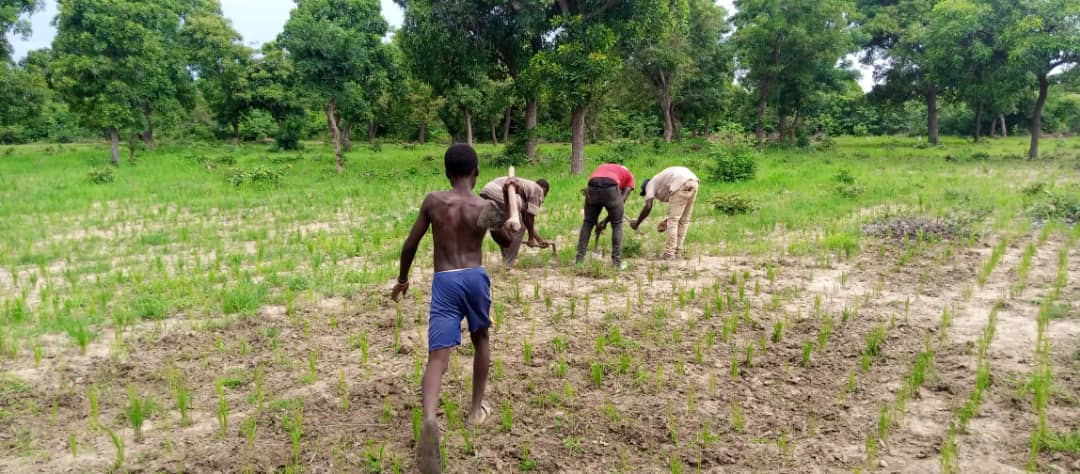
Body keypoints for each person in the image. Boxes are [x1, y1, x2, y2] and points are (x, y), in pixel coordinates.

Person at [391, 144, 510, 474]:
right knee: (481, 341)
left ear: (446, 172)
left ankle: (429, 419)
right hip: (475, 278)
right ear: (476, 173)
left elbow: (411, 244)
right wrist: (508, 211)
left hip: (445, 280)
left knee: (437, 357)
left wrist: (402, 279)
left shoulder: (433, 201)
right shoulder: (484, 206)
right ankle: (475, 411)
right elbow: (505, 244)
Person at [479, 176, 551, 268]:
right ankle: (508, 264)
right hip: (499, 192)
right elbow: (530, 218)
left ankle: (506, 258)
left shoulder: (525, 190)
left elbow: (527, 220)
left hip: (486, 191)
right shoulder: (538, 190)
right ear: (544, 189)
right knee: (518, 228)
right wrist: (530, 239)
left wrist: (539, 240)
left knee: (504, 228)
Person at [575, 162, 635, 270]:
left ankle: (579, 262)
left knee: (588, 222)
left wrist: (604, 221)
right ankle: (616, 263)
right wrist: (608, 220)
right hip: (611, 186)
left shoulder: (603, 167)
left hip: (592, 185)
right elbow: (622, 200)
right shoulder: (629, 177)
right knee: (617, 224)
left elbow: (597, 186)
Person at [630, 166, 699, 259]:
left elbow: (648, 206)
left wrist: (637, 223)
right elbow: (678, 209)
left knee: (673, 221)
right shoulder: (661, 182)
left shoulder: (650, 184)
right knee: (684, 221)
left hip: (680, 182)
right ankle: (678, 252)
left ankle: (669, 254)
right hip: (694, 182)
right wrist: (666, 221)